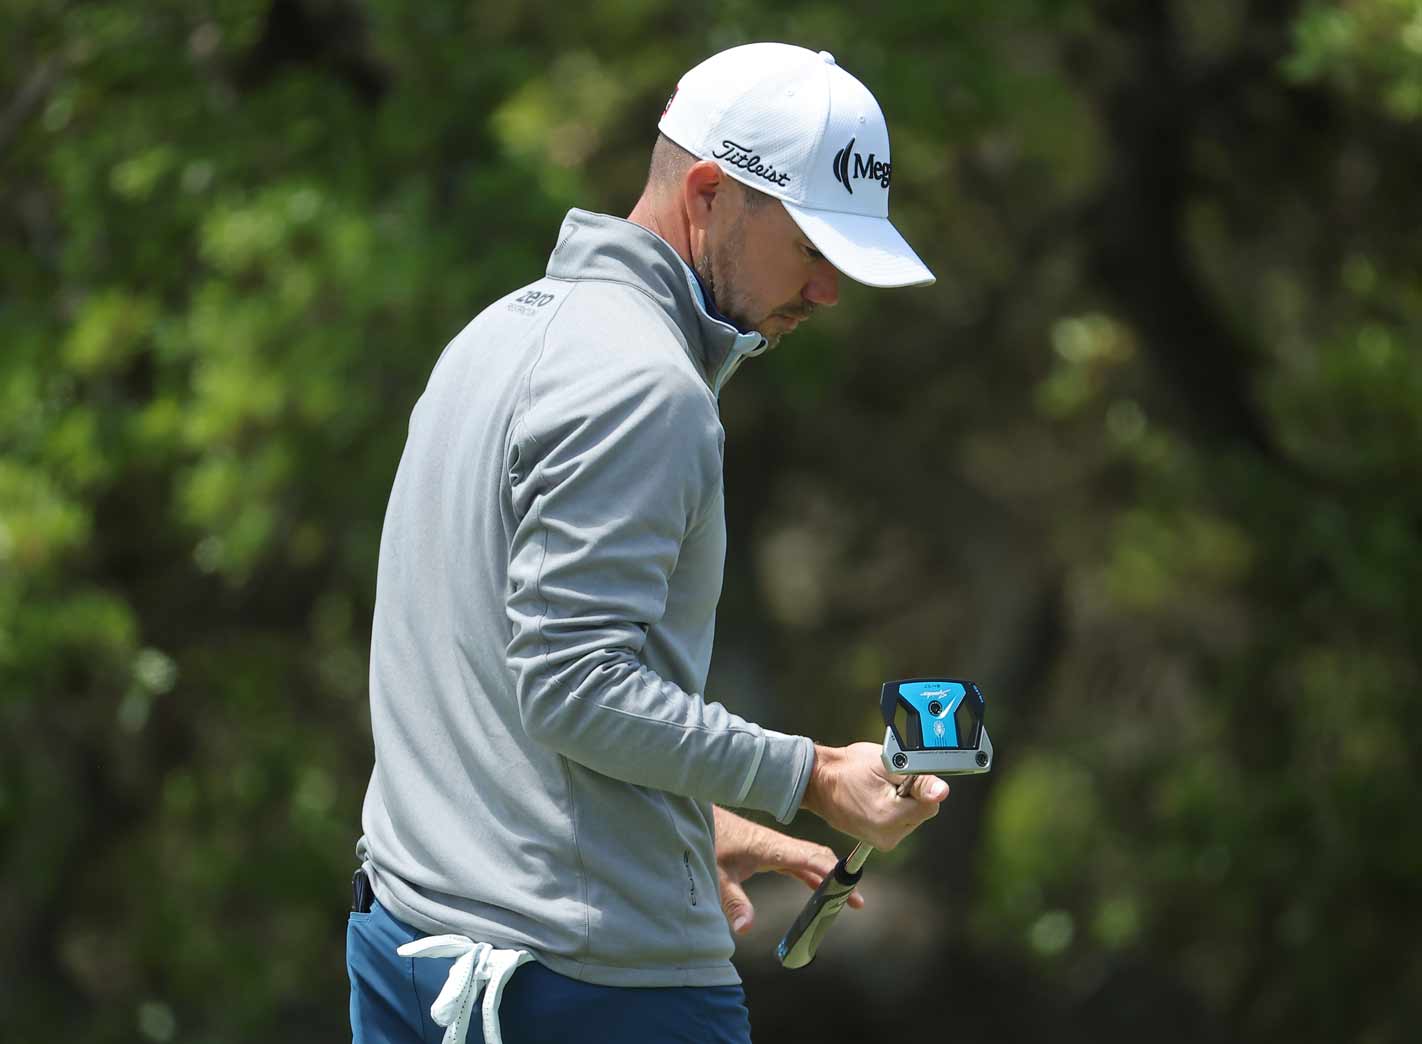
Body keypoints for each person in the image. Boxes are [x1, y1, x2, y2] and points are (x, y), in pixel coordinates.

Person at [347, 41, 944, 1044]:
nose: (829, 291)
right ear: (711, 192)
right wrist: (809, 778)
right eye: (811, 247)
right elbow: (575, 687)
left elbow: (490, 680)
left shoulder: (495, 336)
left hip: (411, 944)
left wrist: (686, 825)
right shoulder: (648, 387)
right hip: (586, 987)